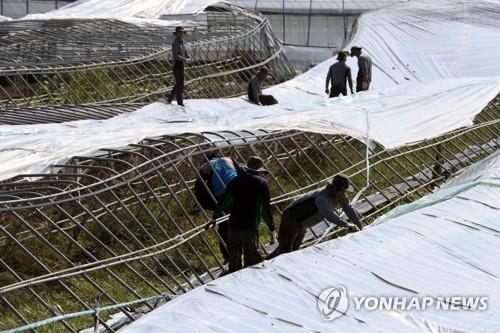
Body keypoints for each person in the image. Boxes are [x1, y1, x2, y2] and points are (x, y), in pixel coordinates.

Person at [267, 174, 362, 260]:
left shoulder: (339, 196)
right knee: (285, 252)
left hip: (302, 223)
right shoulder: (322, 197)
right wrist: (346, 224)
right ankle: (265, 266)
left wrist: (360, 227)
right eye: (343, 191)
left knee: (293, 250)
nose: (344, 194)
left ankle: (266, 261)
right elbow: (329, 215)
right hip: (291, 219)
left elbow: (349, 209)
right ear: (335, 189)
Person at [208, 156, 277, 273]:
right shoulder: (261, 183)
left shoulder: (235, 181)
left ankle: (234, 285)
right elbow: (265, 209)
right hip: (249, 227)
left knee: (234, 260)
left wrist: (214, 217)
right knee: (252, 261)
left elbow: (224, 202)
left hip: (233, 226)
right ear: (259, 171)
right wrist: (272, 229)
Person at [197, 154, 241, 262]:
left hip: (222, 196)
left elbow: (199, 186)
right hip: (238, 190)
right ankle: (243, 251)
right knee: (241, 221)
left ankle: (228, 256)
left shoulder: (206, 166)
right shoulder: (230, 159)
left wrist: (207, 205)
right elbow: (241, 173)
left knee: (224, 226)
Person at [167, 26, 190, 106]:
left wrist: (188, 57)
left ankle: (170, 98)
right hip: (177, 64)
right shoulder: (175, 43)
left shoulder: (182, 42)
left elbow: (185, 52)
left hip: (181, 64)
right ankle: (180, 101)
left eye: (182, 33)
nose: (181, 34)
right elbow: (176, 56)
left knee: (180, 82)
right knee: (179, 83)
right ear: (176, 34)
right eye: (179, 33)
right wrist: (185, 59)